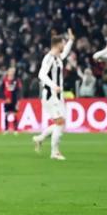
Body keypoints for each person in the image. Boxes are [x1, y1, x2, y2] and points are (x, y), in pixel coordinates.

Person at [33, 29, 75, 161]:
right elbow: (41, 74)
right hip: (50, 95)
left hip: (58, 96)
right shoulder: (49, 58)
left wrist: (71, 40)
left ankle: (40, 138)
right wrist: (53, 85)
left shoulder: (58, 58)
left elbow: (65, 52)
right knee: (59, 122)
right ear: (58, 44)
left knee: (61, 124)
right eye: (63, 43)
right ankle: (54, 152)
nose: (64, 45)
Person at [1, 67, 21, 135]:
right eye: (10, 71)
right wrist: (4, 98)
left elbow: (18, 90)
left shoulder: (16, 80)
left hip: (14, 100)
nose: (11, 73)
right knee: (6, 114)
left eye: (12, 72)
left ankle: (15, 129)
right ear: (8, 72)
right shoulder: (5, 80)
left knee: (14, 114)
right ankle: (6, 129)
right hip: (7, 100)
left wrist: (18, 100)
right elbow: (2, 89)